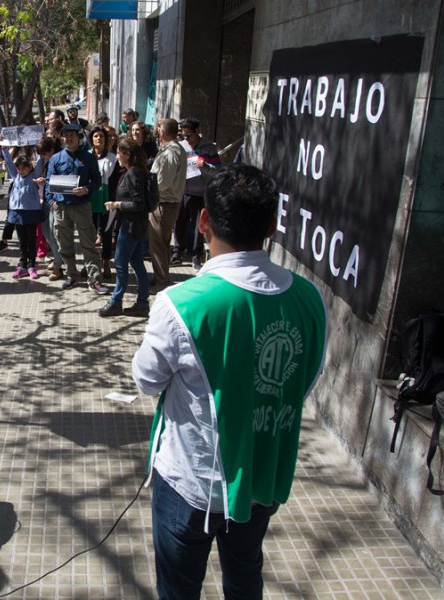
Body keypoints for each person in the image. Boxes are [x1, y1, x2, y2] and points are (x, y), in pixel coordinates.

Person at [132, 163, 328, 600]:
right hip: (261, 475)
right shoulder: (309, 298)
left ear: (203, 221)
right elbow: (305, 380)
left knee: (179, 588)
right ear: (273, 226)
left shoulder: (179, 304)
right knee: (244, 575)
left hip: (190, 482)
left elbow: (146, 380)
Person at [45, 124, 109, 294]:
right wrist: (51, 201)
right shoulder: (56, 159)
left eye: (72, 135)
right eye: (65, 135)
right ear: (61, 138)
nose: (69, 138)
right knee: (64, 244)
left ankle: (94, 279)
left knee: (88, 244)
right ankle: (71, 275)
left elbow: (97, 180)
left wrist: (87, 189)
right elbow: (48, 183)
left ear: (78, 137)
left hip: (82, 206)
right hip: (61, 207)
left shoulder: (88, 158)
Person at [99, 137, 150, 317]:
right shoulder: (132, 172)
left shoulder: (133, 174)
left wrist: (117, 204)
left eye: (119, 153)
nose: (117, 156)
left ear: (127, 155)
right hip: (135, 226)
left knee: (120, 264)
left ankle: (116, 301)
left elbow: (138, 203)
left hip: (131, 227)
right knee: (136, 263)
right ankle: (142, 303)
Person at [173, 118, 221, 270]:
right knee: (179, 222)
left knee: (197, 225)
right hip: (183, 191)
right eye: (183, 135)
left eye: (189, 135)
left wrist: (205, 165)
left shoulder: (209, 148)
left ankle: (196, 254)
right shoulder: (181, 146)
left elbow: (218, 170)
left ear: (197, 132)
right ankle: (177, 252)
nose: (186, 138)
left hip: (201, 192)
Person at [148, 118, 187, 288]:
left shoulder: (171, 152)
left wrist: (149, 194)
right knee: (161, 242)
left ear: (162, 132)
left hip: (164, 204)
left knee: (158, 243)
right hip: (166, 203)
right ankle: (160, 275)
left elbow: (163, 183)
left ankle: (161, 280)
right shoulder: (172, 149)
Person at [0, 146, 43, 279]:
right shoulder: (15, 175)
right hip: (17, 213)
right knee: (22, 240)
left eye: (24, 167)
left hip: (31, 212)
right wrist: (5, 150)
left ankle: (32, 265)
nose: (21, 170)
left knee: (31, 240)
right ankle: (22, 265)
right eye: (19, 168)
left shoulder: (34, 176)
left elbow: (41, 162)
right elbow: (9, 163)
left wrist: (40, 149)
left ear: (30, 167)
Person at [88, 126, 117, 279]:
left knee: (106, 233)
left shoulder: (113, 158)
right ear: (91, 139)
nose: (98, 138)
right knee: (89, 234)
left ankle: (106, 262)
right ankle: (91, 263)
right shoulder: (86, 156)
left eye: (101, 136)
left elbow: (115, 182)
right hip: (88, 202)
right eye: (96, 136)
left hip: (106, 202)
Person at [35, 136, 64, 280]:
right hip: (45, 200)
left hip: (55, 201)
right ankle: (57, 259)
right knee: (46, 233)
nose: (42, 157)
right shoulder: (46, 162)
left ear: (51, 151)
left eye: (44, 154)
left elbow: (62, 181)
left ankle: (59, 267)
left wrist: (46, 181)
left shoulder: (59, 161)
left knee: (54, 234)